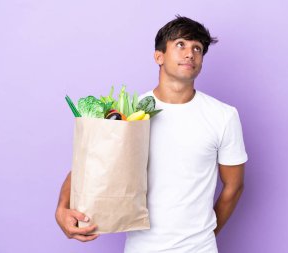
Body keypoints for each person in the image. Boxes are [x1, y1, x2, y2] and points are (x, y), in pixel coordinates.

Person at [55, 15, 248, 253]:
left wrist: (206, 234)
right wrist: (62, 208)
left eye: (197, 48)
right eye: (181, 45)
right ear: (159, 56)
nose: (190, 53)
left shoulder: (223, 116)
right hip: (141, 247)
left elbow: (234, 186)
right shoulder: (129, 112)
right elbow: (89, 167)